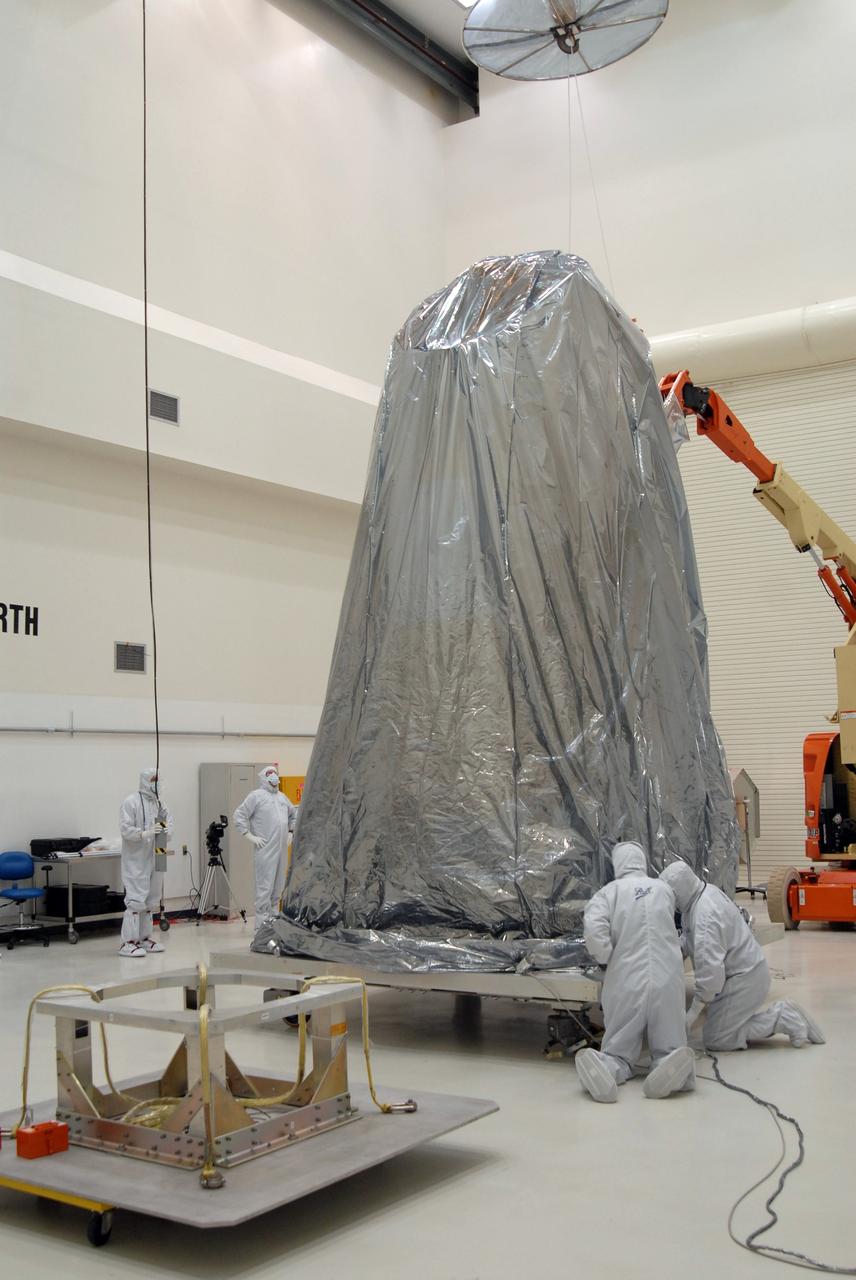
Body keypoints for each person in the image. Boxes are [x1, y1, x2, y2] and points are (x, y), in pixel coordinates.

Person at [660, 860, 825, 1050]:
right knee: (719, 1028)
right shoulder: (702, 896)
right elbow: (689, 939)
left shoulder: (704, 916)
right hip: (744, 973)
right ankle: (782, 1016)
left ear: (679, 891)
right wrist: (670, 951)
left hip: (745, 979)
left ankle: (783, 1017)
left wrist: (692, 1014)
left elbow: (710, 975)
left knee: (717, 1038)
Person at [575, 841, 695, 1103]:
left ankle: (608, 1069)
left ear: (617, 864)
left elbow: (594, 931)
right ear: (641, 861)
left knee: (619, 1044)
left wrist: (606, 957)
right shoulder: (664, 889)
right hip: (668, 977)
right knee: (671, 1042)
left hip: (626, 978)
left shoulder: (608, 893)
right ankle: (672, 1069)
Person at [119, 767, 174, 958]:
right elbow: (125, 830)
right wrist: (145, 833)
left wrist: (163, 831)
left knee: (151, 899)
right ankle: (128, 942)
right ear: (144, 781)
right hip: (137, 859)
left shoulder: (160, 804)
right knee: (135, 900)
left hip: (158, 854)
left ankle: (145, 938)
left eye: (158, 781)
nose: (156, 785)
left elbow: (170, 826)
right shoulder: (131, 802)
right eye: (153, 781)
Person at [233, 765, 297, 921]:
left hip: (281, 849)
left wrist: (290, 832)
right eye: (270, 776)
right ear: (263, 779)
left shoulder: (282, 798)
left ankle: (274, 921)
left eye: (275, 775)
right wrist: (249, 835)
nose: (274, 778)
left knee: (278, 887)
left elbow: (294, 814)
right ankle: (261, 925)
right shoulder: (256, 796)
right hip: (265, 849)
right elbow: (239, 815)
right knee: (264, 887)